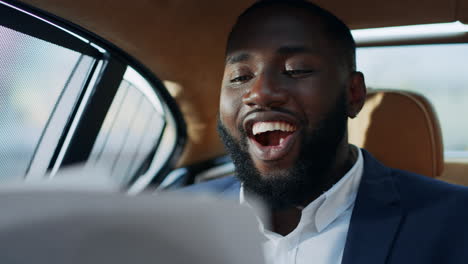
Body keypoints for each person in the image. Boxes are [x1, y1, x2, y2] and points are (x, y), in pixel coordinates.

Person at [185, 0, 468, 263]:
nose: (259, 93)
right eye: (240, 77)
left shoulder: (456, 220)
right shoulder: (178, 216)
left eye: (296, 70)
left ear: (353, 94)